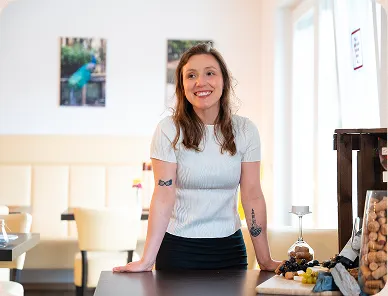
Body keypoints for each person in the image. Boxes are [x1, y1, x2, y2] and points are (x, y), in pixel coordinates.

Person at [113, 43, 280, 272]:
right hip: (178, 250)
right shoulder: (168, 130)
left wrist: (265, 261)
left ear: (224, 81)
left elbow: (252, 195)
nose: (201, 82)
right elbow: (163, 195)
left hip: (230, 250)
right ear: (183, 86)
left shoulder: (246, 130)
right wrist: (147, 260)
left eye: (210, 73)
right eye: (191, 75)